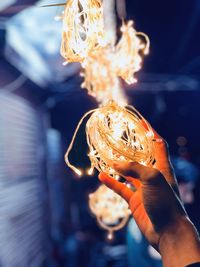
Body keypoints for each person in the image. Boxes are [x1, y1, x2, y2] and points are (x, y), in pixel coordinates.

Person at [98, 122, 200, 267]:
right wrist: (173, 231)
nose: (190, 198)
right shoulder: (143, 225)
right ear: (166, 185)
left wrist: (172, 229)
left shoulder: (142, 222)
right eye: (186, 190)